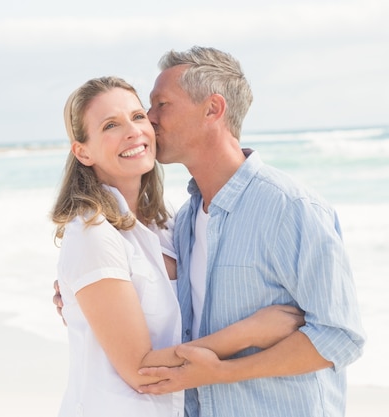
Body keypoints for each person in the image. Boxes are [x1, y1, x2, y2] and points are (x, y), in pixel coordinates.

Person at [131, 46, 367, 417]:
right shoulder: (186, 220)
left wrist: (225, 372)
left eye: (162, 104)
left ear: (213, 109)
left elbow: (340, 336)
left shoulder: (291, 208)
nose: (149, 118)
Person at [52, 76, 304, 417]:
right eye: (111, 125)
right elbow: (140, 370)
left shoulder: (168, 221)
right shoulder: (93, 233)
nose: (133, 131)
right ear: (83, 151)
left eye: (138, 116)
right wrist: (250, 332)